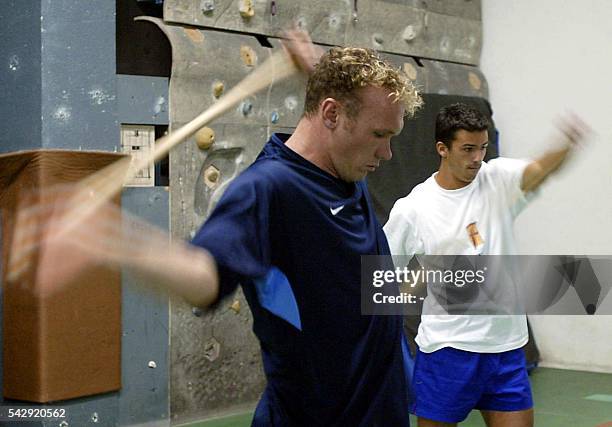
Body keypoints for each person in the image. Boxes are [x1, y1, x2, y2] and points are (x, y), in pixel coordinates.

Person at [384, 103, 588, 427]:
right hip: (447, 351)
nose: (477, 158)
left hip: (506, 350)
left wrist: (565, 145)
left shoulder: (497, 179)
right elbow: (383, 274)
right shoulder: (414, 209)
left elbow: (537, 171)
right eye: (467, 149)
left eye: (481, 148)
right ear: (442, 149)